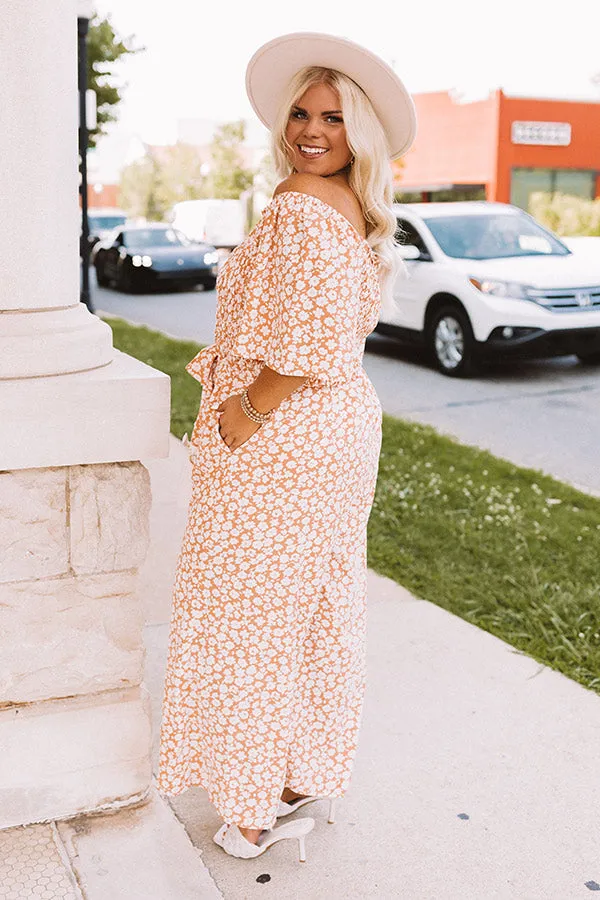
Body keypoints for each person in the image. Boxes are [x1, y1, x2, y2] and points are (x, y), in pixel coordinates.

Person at [155, 31, 416, 861]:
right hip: (333, 435)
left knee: (252, 613)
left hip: (286, 434)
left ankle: (251, 811)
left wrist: (248, 410)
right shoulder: (348, 207)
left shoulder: (303, 202)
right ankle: (296, 772)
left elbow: (312, 339)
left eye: (333, 118)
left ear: (359, 131)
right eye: (301, 114)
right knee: (310, 605)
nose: (311, 130)